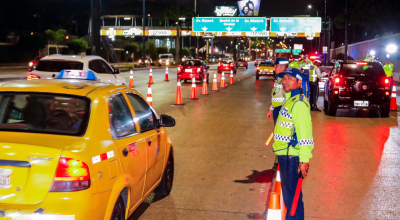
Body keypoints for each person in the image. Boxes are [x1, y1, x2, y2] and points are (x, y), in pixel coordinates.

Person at [272, 67, 314, 220]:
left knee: (293, 201)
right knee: (290, 199)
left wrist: (304, 160)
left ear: (299, 82)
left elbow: (305, 135)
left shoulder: (299, 104)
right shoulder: (290, 100)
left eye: (290, 78)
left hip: (292, 158)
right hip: (285, 155)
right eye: (284, 78)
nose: (285, 81)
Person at [267, 57, 290, 125]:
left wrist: (283, 112)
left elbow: (287, 97)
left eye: (276, 66)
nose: (274, 68)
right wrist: (271, 110)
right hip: (276, 109)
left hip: (282, 110)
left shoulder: (286, 81)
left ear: (282, 67)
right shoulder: (279, 79)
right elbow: (275, 95)